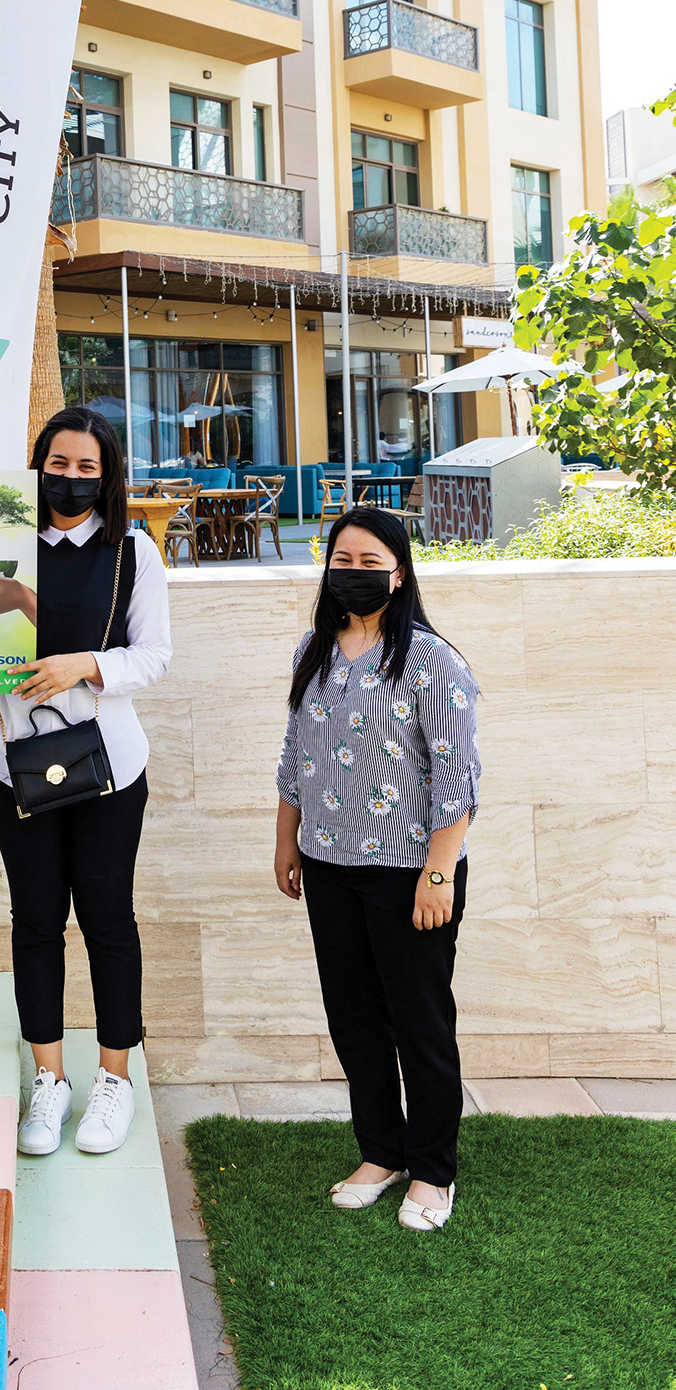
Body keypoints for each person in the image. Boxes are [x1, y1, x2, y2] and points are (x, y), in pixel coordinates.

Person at [0, 405, 171, 1157]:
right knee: (36, 920)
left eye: (86, 468)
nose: (70, 478)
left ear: (107, 477)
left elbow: (154, 656)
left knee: (108, 921)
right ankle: (49, 1079)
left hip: (109, 769)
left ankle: (115, 1079)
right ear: (36, 466)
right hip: (14, 763)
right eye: (58, 464)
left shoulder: (131, 551)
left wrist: (87, 665)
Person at [274, 505, 481, 1232]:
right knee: (354, 1017)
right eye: (343, 561)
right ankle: (381, 1153)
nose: (354, 573)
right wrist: (287, 841)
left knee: (418, 1020)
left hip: (408, 872)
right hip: (329, 866)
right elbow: (296, 755)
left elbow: (458, 777)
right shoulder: (313, 650)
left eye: (371, 563)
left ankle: (433, 1170)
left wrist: (438, 874)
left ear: (399, 574)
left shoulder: (431, 661)